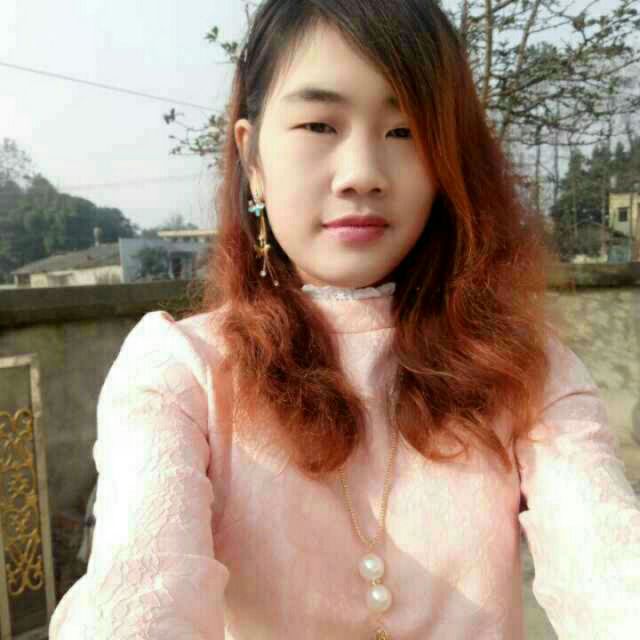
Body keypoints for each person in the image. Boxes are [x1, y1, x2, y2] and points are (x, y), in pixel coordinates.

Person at [49, 0, 640, 638]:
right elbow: (142, 590)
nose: (362, 174)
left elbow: (608, 565)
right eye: (319, 125)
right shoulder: (183, 376)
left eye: (406, 131)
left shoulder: (526, 371)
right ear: (252, 159)